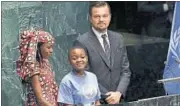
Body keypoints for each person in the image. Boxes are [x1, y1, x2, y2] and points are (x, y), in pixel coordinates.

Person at [73, 1, 131, 104]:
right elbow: (83, 74)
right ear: (90, 18)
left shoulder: (118, 38)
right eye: (97, 16)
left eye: (105, 16)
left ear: (110, 17)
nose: (101, 20)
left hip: (119, 99)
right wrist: (107, 96)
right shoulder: (81, 42)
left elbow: (125, 70)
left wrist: (119, 93)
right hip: (96, 100)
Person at [16, 29, 58, 106]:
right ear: (38, 48)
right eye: (48, 47)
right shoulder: (33, 67)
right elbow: (40, 99)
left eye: (52, 47)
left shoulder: (45, 64)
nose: (51, 50)